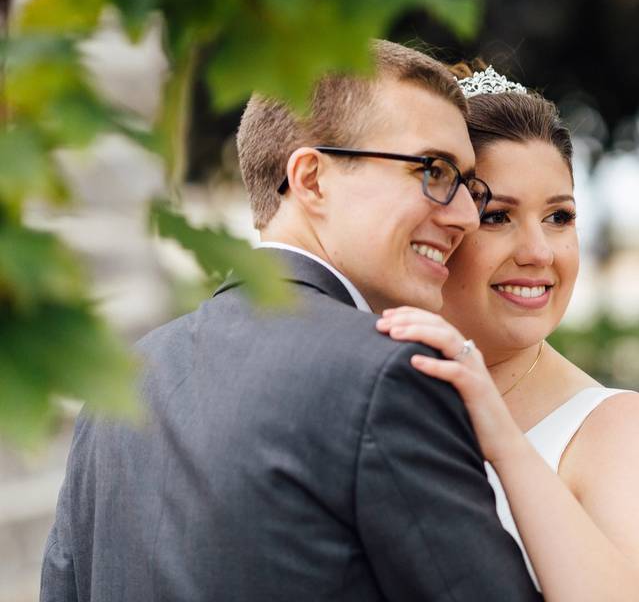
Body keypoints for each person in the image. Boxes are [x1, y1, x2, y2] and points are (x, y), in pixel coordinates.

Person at [40, 42, 542, 602]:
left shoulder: (123, 382)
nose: (467, 217)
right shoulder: (388, 376)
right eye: (435, 171)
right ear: (311, 179)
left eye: (468, 187)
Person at [376, 65, 639, 601]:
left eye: (559, 217)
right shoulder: (364, 382)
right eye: (498, 217)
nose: (538, 253)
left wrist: (504, 444)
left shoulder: (622, 433)